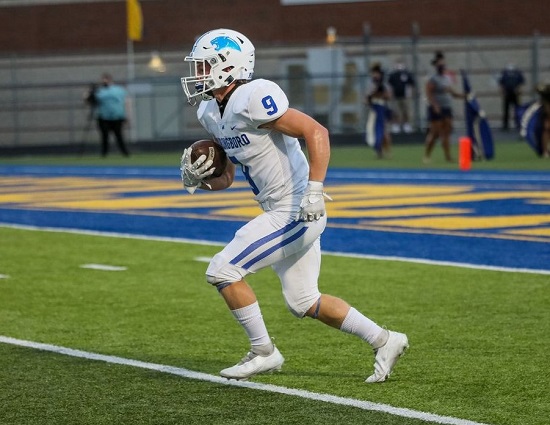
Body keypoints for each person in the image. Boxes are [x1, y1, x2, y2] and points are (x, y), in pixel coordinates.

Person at [179, 28, 408, 382]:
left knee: (222, 270)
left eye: (205, 65)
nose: (198, 73)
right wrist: (201, 179)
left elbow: (316, 132)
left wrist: (315, 189)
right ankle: (385, 340)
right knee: (303, 301)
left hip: (296, 208)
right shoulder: (210, 111)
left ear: (228, 66)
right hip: (278, 208)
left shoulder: (253, 97)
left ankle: (263, 352)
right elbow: (229, 178)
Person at [423, 51, 465, 163]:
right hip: (436, 108)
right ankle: (427, 155)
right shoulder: (433, 78)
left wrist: (463, 96)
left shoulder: (446, 78)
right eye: (440, 63)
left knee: (447, 132)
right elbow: (429, 93)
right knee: (435, 133)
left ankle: (448, 156)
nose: (442, 65)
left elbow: (451, 92)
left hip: (447, 107)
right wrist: (435, 105)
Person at [94, 73, 130, 157]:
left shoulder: (119, 90)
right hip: (103, 117)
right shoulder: (99, 91)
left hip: (117, 116)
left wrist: (127, 115)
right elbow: (92, 102)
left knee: (119, 135)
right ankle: (104, 153)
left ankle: (124, 152)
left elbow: (126, 102)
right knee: (104, 136)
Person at [365, 62, 392, 158]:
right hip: (374, 108)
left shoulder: (383, 85)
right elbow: (367, 98)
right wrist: (371, 96)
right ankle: (379, 150)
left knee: (383, 130)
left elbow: (388, 96)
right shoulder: (371, 84)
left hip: (381, 107)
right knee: (373, 129)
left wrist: (379, 94)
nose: (374, 75)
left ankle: (386, 150)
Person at [387, 59, 415, 133]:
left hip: (405, 96)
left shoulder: (407, 74)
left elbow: (411, 84)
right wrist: (390, 94)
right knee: (396, 111)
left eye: (401, 64)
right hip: (396, 96)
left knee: (406, 110)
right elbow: (390, 85)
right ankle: (396, 125)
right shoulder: (393, 75)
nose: (399, 66)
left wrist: (411, 93)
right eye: (398, 64)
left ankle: (406, 124)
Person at [498, 63, 525, 131]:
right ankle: (505, 125)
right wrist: (503, 91)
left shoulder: (517, 73)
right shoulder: (505, 74)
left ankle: (518, 124)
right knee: (506, 110)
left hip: (515, 94)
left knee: (517, 110)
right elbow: (502, 84)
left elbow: (521, 83)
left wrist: (519, 90)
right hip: (507, 93)